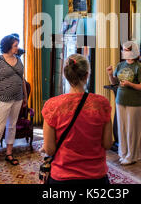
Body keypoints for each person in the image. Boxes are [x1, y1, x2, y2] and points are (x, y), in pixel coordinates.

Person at [41, 54, 113, 184]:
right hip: (96, 177)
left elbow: (49, 149)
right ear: (86, 75)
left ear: (65, 75)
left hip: (63, 177)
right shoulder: (102, 103)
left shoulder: (52, 105)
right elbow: (107, 143)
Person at [0, 35, 28, 172]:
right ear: (8, 46)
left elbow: (22, 79)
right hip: (2, 100)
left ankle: (9, 154)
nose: (18, 47)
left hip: (18, 98)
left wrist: (25, 98)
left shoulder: (18, 60)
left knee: (12, 126)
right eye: (15, 45)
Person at [107, 41, 141, 165]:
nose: (125, 52)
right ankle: (123, 153)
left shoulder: (139, 67)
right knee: (122, 128)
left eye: (127, 50)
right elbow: (114, 82)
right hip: (120, 100)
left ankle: (132, 155)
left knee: (132, 130)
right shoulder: (120, 65)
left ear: (133, 51)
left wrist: (130, 84)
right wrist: (110, 74)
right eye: (124, 49)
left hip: (134, 102)